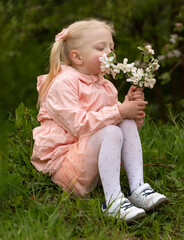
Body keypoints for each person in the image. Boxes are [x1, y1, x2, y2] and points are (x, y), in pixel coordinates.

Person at [31, 19, 168, 222]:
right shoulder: (63, 83)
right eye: (101, 47)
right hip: (67, 166)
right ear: (77, 57)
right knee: (111, 130)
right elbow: (79, 126)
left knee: (124, 124)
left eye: (112, 47)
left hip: (92, 160)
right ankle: (112, 201)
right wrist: (120, 111)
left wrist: (130, 110)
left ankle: (137, 188)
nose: (110, 53)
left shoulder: (106, 86)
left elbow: (121, 128)